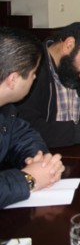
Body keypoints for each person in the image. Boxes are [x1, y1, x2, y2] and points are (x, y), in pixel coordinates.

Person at [0, 27, 65, 208]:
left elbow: (23, 135)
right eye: (33, 72)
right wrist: (28, 179)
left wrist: (41, 161)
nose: (35, 77)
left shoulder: (6, 110)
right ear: (13, 79)